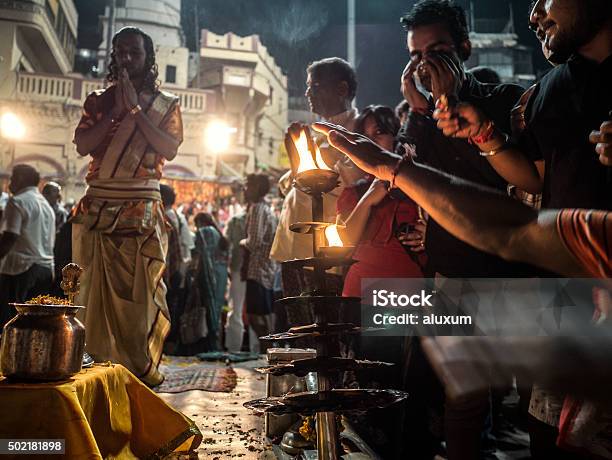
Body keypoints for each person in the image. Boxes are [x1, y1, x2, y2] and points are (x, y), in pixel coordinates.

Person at [315, 119, 612, 460]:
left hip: (416, 294)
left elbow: (512, 232)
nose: (603, 135)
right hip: (382, 298)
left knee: (433, 395)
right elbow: (516, 231)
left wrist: (399, 172)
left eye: (380, 131)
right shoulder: (600, 237)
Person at [72, 26, 183, 386]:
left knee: (140, 299)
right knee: (90, 296)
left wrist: (135, 109)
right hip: (97, 208)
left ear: (148, 58)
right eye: (120, 52)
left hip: (140, 210)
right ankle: (97, 371)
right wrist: (114, 112)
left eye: (134, 52)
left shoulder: (167, 105)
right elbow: (83, 145)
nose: (127, 58)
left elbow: (168, 149)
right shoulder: (98, 100)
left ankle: (138, 368)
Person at [434, 0, 612, 211]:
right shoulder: (545, 92)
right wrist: (484, 133)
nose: (533, 16)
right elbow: (537, 179)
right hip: (563, 241)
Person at [271, 57, 359, 297]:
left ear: (341, 89)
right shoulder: (315, 132)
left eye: (316, 86)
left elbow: (346, 184)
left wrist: (301, 159)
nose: (308, 92)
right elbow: (287, 184)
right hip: (293, 247)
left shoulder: (357, 132)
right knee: (298, 325)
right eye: (308, 86)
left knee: (324, 325)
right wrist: (298, 159)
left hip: (325, 250)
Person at [337, 105, 426, 297]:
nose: (370, 141)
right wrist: (368, 200)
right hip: (359, 294)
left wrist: (431, 237)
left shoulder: (420, 187)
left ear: (396, 137)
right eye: (363, 135)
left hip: (408, 294)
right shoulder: (354, 192)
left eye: (379, 132)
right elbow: (342, 248)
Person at [0, 165, 55, 328]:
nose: (10, 183)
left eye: (13, 178)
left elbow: (10, 237)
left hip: (21, 270)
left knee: (11, 323)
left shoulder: (17, 201)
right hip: (45, 270)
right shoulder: (45, 204)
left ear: (21, 179)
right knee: (33, 325)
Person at [242, 174, 277, 352]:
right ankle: (268, 351)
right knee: (262, 316)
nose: (245, 189)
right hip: (266, 269)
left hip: (257, 270)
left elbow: (254, 241)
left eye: (248, 185)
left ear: (256, 188)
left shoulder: (257, 209)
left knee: (256, 317)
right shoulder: (266, 208)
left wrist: (241, 242)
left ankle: (267, 352)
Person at [160, 184, 193, 353]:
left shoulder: (165, 217)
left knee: (168, 309)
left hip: (169, 272)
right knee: (173, 308)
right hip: (177, 270)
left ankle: (166, 347)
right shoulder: (177, 217)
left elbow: (167, 251)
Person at [191, 212, 228, 352]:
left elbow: (202, 256)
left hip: (210, 273)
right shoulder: (217, 233)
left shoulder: (204, 232)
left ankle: (211, 346)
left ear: (200, 222)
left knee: (210, 308)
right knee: (216, 309)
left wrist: (195, 276)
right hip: (220, 274)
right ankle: (215, 344)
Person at [224, 211, 247, 352]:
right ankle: (257, 350)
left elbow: (225, 243)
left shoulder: (236, 220)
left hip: (238, 268)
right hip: (254, 269)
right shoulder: (267, 214)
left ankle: (233, 349)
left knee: (236, 310)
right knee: (256, 312)